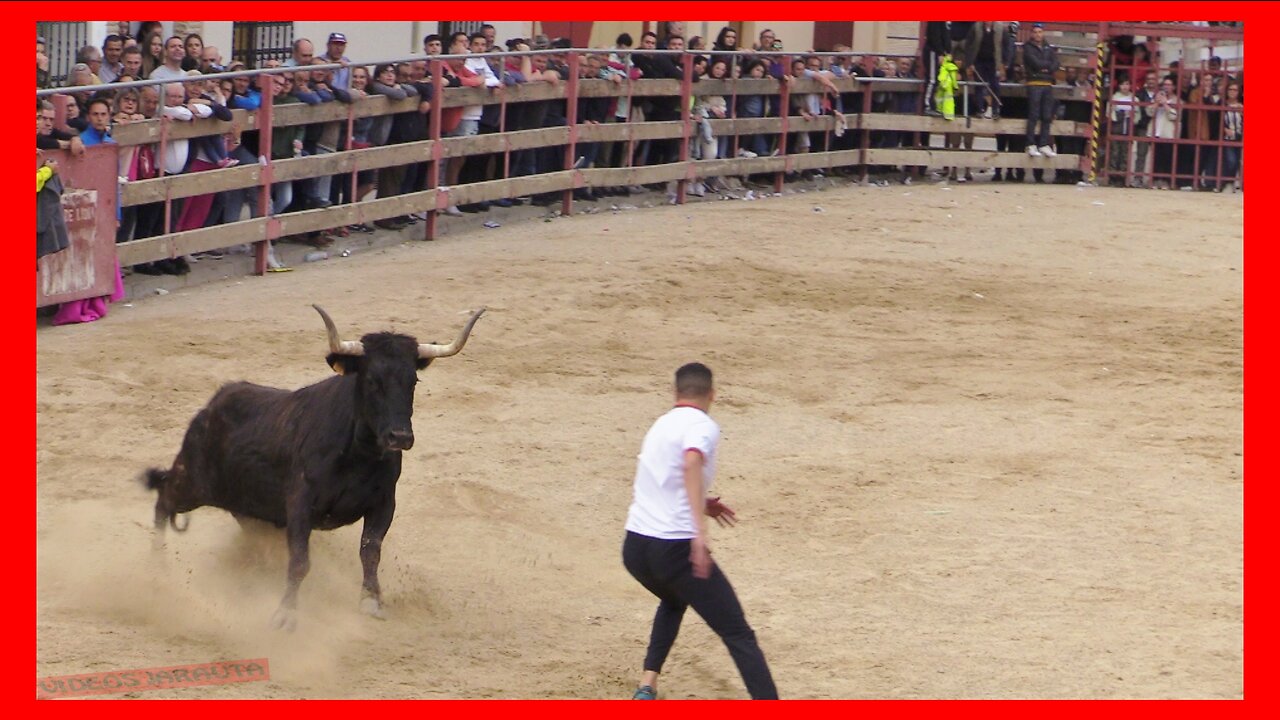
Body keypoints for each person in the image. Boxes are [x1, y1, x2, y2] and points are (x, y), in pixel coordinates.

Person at [622, 363, 778, 701]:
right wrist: (700, 533)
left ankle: (647, 686)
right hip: (674, 548)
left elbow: (663, 476)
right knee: (738, 633)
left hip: (635, 548)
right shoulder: (702, 425)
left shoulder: (660, 424)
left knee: (674, 598)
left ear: (675, 393)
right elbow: (692, 461)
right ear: (712, 395)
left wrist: (703, 501)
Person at [1022, 23, 1059, 158]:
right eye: (1035, 32)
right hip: (1034, 83)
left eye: (1040, 32)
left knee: (1046, 116)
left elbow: (1056, 63)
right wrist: (1047, 66)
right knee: (1034, 114)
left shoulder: (1048, 48)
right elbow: (1035, 63)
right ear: (1032, 34)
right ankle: (1030, 144)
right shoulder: (1028, 48)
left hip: (1047, 84)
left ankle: (1043, 144)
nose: (1038, 34)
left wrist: (1045, 67)